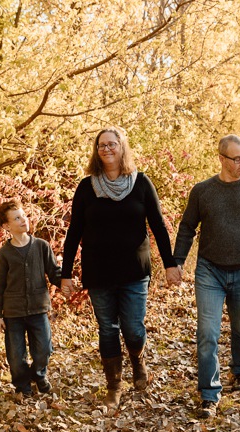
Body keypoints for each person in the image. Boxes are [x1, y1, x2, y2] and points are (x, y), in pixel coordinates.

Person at [61, 126, 181, 409]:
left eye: (112, 144)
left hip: (134, 270)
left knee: (133, 328)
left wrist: (170, 264)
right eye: (101, 145)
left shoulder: (141, 183)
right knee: (106, 329)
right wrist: (65, 274)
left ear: (122, 147)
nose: (106, 149)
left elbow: (158, 227)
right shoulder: (86, 187)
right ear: (96, 150)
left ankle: (138, 361)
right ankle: (114, 385)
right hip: (99, 270)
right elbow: (74, 231)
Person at [173, 134, 240, 419]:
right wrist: (177, 262)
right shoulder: (203, 191)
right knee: (207, 333)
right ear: (221, 159)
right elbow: (187, 228)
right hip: (210, 270)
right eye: (236, 158)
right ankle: (209, 395)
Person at [0, 199, 62, 398]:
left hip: (39, 308)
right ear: (6, 226)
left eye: (23, 215)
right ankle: (23, 385)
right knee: (16, 355)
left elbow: (54, 272)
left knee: (44, 349)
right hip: (13, 313)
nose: (24, 220)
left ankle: (39, 376)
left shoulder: (41, 246)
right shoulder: (3, 255)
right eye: (17, 218)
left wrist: (66, 283)